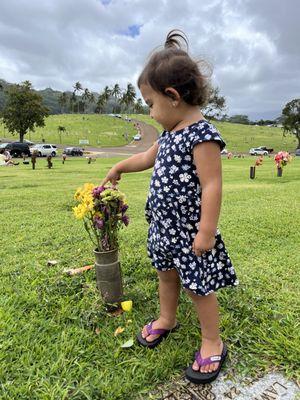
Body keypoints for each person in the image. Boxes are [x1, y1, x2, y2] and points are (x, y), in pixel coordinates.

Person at [101, 30, 238, 384]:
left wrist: (206, 231)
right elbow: (147, 156)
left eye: (150, 103)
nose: (149, 111)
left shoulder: (202, 135)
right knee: (166, 276)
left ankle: (212, 341)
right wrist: (118, 167)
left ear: (172, 96)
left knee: (198, 287)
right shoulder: (168, 136)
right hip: (162, 229)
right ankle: (167, 318)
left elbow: (212, 185)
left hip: (190, 233)